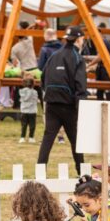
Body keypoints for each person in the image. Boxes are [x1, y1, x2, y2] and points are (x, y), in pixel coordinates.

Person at [38, 26, 87, 174]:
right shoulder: (77, 58)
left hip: (51, 103)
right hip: (69, 105)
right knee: (75, 141)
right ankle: (81, 172)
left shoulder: (54, 55)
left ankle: (40, 170)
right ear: (79, 39)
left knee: (47, 139)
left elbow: (42, 77)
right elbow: (81, 85)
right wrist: (81, 107)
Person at [83, 22, 110, 101]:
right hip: (102, 68)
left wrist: (89, 64)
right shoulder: (101, 42)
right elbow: (99, 56)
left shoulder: (103, 42)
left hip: (106, 69)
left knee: (107, 90)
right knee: (100, 90)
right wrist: (88, 59)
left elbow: (100, 56)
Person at [18, 77, 38, 144]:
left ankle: (22, 137)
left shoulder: (21, 91)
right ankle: (31, 137)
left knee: (24, 125)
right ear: (33, 84)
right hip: (32, 111)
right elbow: (35, 100)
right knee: (32, 125)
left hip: (24, 111)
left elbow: (22, 99)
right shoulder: (35, 92)